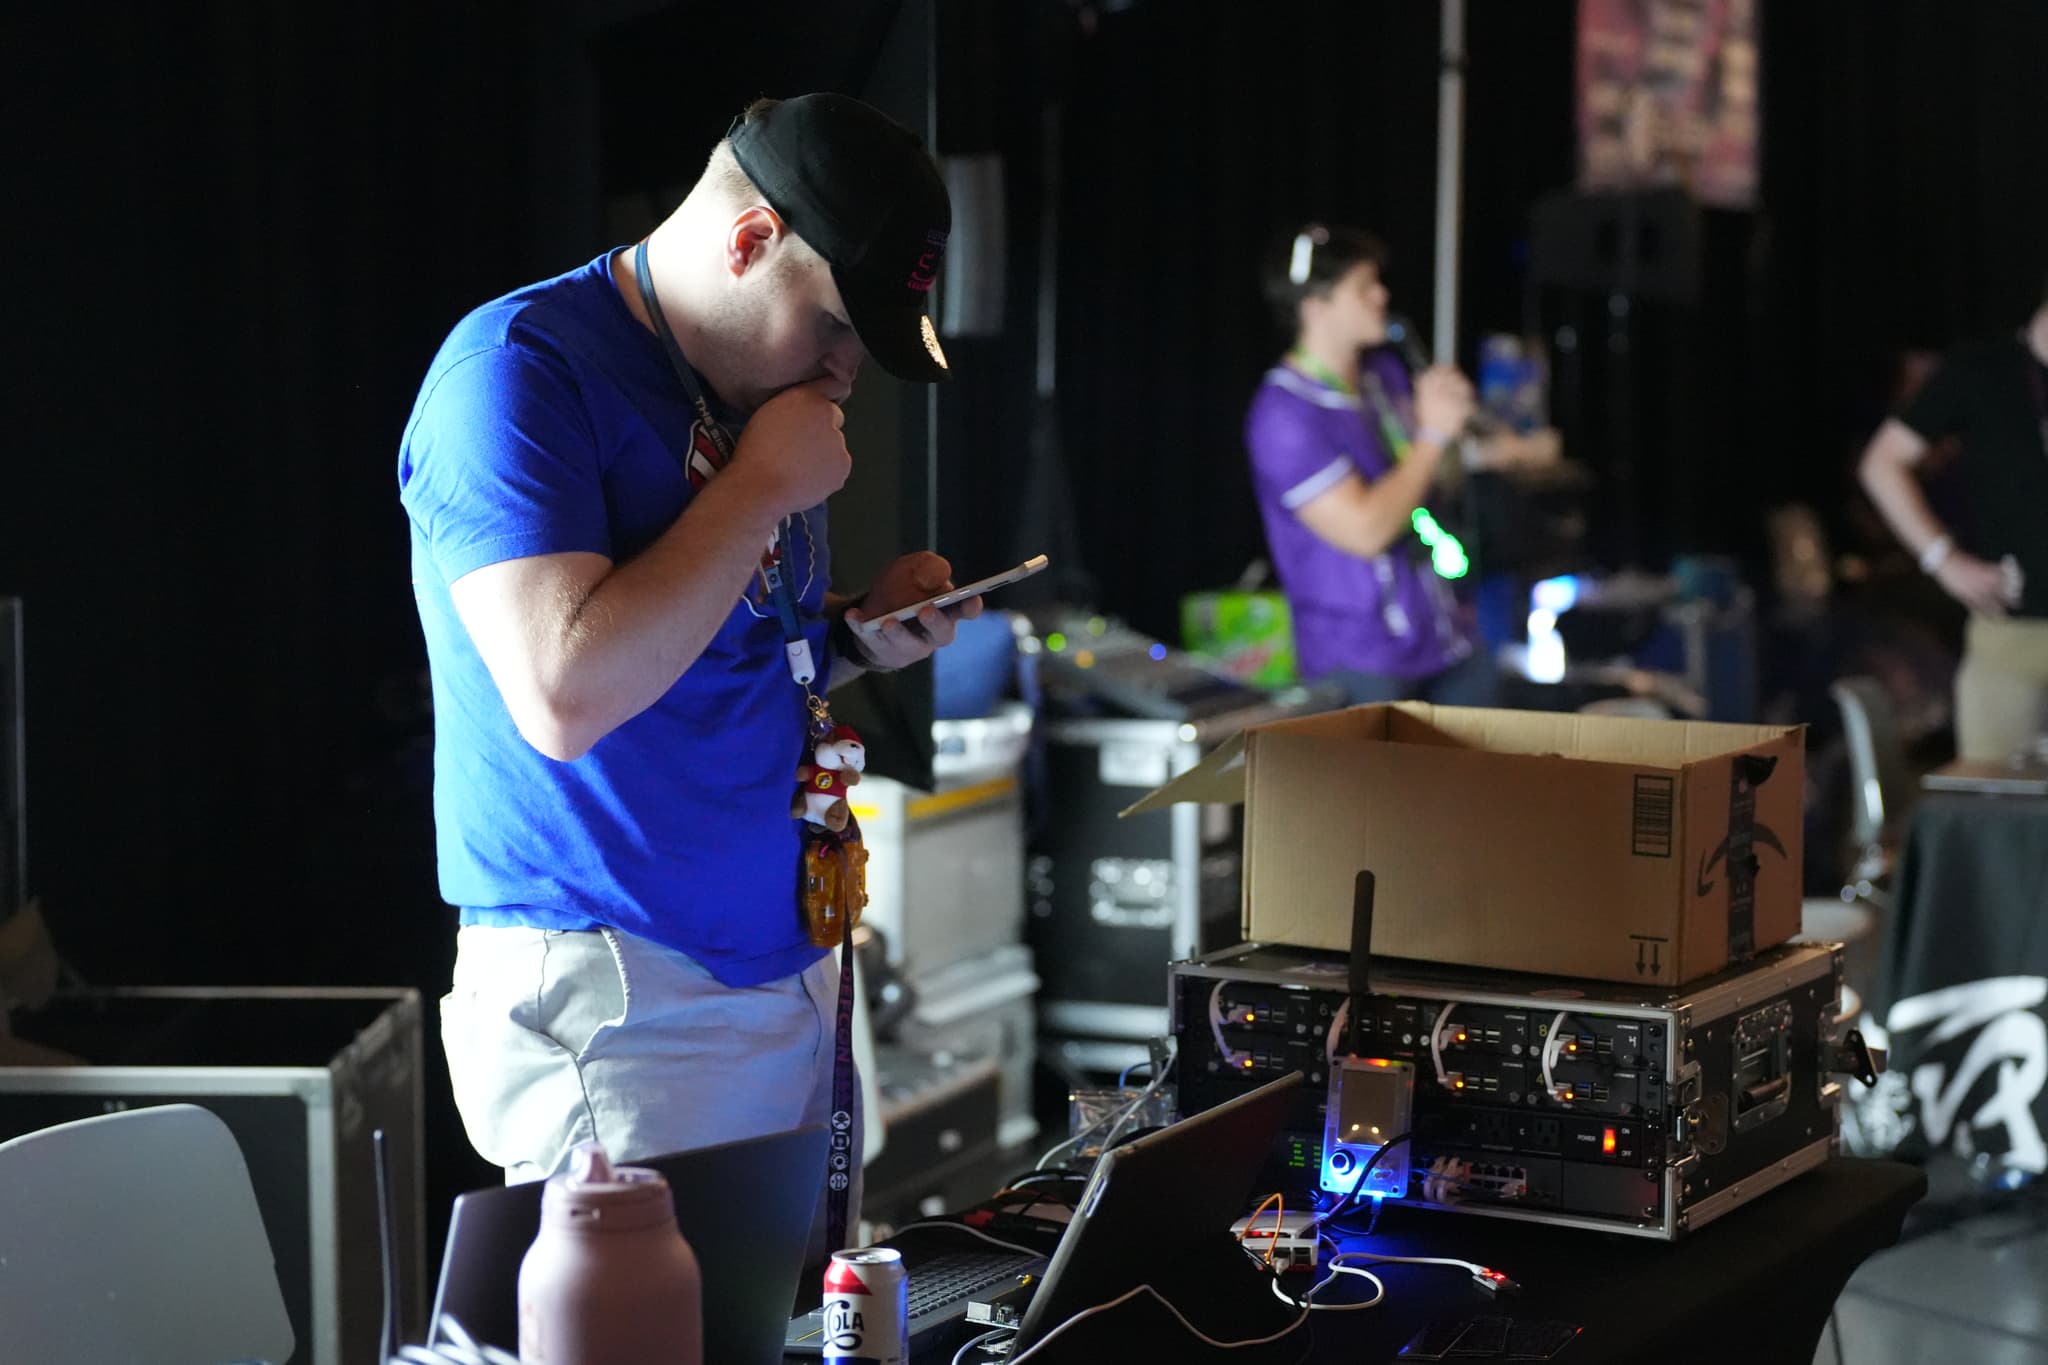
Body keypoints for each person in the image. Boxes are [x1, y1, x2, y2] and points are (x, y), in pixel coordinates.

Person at [396, 92, 973, 1253]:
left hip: (780, 960)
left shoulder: (742, 395)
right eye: (831, 328)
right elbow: (563, 695)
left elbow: (716, 648)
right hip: (620, 987)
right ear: (750, 239)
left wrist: (857, 634)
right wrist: (758, 489)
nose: (844, 372)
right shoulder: (514, 373)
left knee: (796, 1323)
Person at [1243, 224, 1499, 706]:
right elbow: (1366, 532)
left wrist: (1459, 435)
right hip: (1365, 661)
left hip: (1449, 635)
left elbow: (1434, 482)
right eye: (1363, 287)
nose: (1381, 296)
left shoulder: (1382, 375)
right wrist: (1432, 435)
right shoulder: (1282, 415)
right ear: (1315, 308)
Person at [1857, 284, 2048, 760]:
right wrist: (1942, 559)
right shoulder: (1982, 369)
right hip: (2013, 633)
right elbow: (1883, 463)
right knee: (1993, 807)